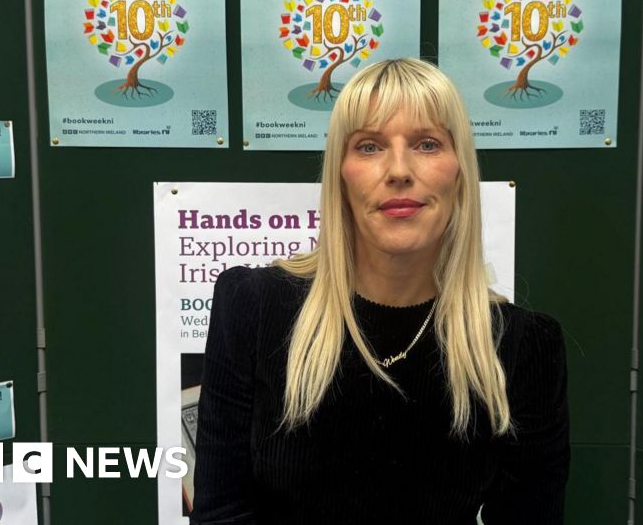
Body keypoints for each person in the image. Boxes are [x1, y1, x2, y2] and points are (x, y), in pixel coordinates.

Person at [190, 58, 569, 524]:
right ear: (341, 173)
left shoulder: (522, 347)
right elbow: (221, 513)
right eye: (369, 146)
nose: (399, 170)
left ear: (459, 171)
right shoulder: (253, 307)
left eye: (427, 144)